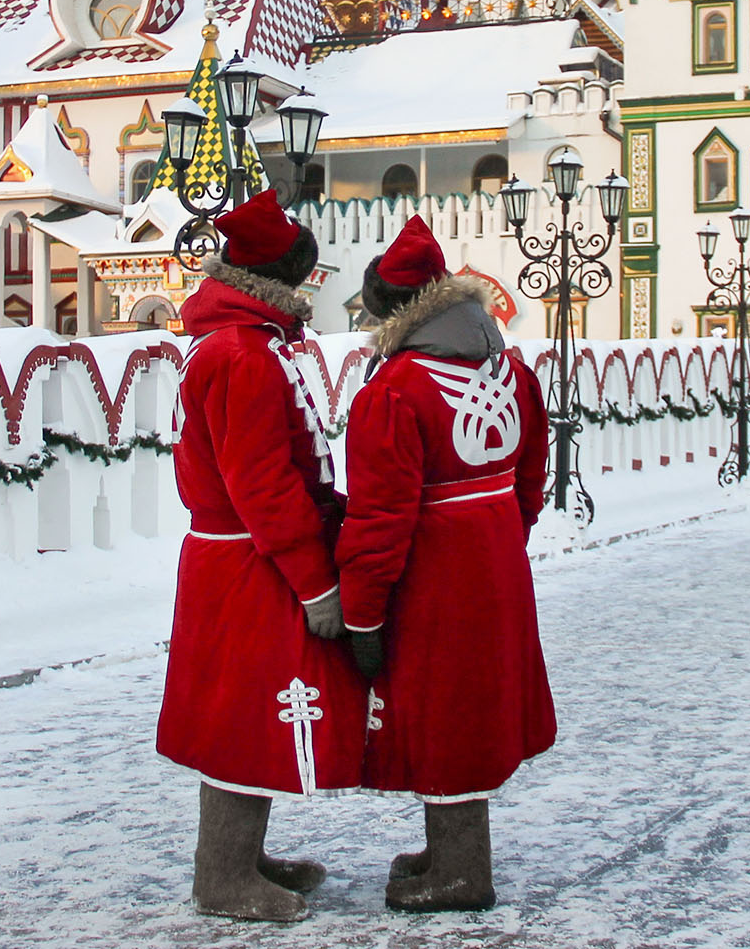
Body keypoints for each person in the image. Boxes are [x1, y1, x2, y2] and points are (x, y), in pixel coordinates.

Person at [336, 216, 554, 913]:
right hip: (493, 560)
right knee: (474, 706)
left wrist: (363, 612)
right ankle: (450, 850)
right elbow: (532, 469)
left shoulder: (393, 391)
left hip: (434, 572)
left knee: (446, 712)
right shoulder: (511, 368)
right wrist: (502, 536)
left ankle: (463, 873)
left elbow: (379, 518)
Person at [157, 191, 364, 924]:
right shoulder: (244, 355)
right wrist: (314, 584)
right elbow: (262, 484)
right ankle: (223, 877)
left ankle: (242, 858)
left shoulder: (246, 342)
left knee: (252, 711)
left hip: (242, 557)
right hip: (248, 561)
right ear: (281, 280)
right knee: (242, 713)